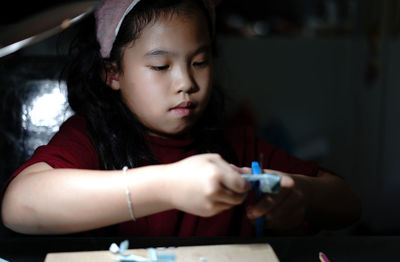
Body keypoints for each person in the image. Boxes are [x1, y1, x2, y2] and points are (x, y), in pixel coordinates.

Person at [1, 0, 360, 237]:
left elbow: (348, 202)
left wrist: (298, 196)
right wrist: (167, 186)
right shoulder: (89, 139)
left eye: (200, 62)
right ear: (112, 74)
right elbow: (20, 205)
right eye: (160, 66)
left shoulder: (235, 143)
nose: (186, 83)